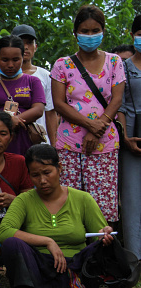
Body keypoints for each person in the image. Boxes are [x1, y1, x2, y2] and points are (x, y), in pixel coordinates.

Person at [0, 144, 114, 288]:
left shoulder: (82, 199)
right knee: (12, 244)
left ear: (60, 168)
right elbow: (4, 232)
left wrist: (106, 234)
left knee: (96, 251)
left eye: (47, 172)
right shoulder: (24, 200)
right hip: (39, 268)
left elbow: (100, 234)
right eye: (35, 175)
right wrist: (47, 241)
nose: (42, 180)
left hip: (74, 267)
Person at [50, 5, 125, 224]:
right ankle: (73, 255)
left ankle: (100, 254)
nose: (90, 35)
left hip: (106, 144)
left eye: (95, 31)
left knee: (102, 208)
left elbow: (117, 99)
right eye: (85, 31)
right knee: (70, 206)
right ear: (75, 33)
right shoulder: (62, 65)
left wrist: (98, 127)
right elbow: (59, 104)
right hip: (69, 145)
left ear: (103, 31)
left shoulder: (114, 62)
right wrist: (90, 125)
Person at [0, 35, 46, 156]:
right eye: (5, 60)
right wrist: (8, 121)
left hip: (25, 143)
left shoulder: (33, 81)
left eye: (15, 60)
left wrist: (16, 120)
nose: (10, 65)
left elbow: (38, 109)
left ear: (22, 57)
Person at [116, 15, 141, 260]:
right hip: (132, 138)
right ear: (133, 35)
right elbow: (119, 105)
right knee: (132, 198)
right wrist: (125, 137)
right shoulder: (122, 67)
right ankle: (135, 256)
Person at [11, 24, 58, 144]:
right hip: (9, 141)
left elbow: (50, 113)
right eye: (21, 42)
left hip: (38, 142)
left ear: (35, 47)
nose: (25, 47)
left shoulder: (46, 76)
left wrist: (53, 146)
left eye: (29, 43)